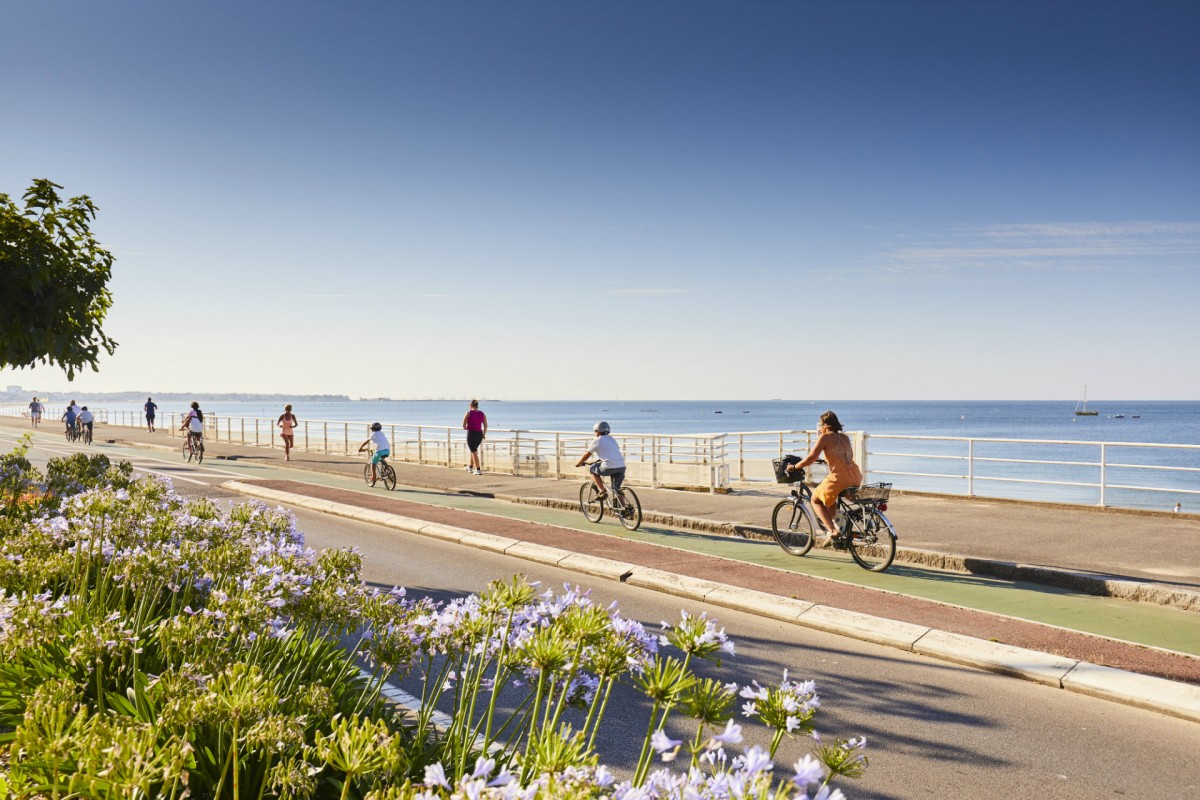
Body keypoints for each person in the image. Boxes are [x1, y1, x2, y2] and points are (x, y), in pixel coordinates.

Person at [787, 410, 863, 545]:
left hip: (839, 477)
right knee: (828, 495)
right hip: (854, 475)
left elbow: (810, 458)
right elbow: (846, 456)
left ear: (825, 425)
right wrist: (827, 460)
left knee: (815, 500)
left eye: (820, 424)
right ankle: (837, 531)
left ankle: (832, 531)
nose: (820, 427)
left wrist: (794, 467)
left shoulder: (824, 437)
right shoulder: (845, 437)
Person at [575, 421, 626, 500]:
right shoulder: (612, 439)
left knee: (592, 469)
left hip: (609, 466)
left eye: (595, 431)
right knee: (616, 489)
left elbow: (586, 456)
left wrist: (578, 464)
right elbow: (612, 452)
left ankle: (602, 491)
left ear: (597, 431)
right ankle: (624, 509)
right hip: (621, 466)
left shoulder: (597, 440)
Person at [462, 399, 488, 475]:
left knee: (474, 452)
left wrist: (470, 425)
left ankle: (478, 470)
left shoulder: (468, 413)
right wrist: (484, 434)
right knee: (474, 451)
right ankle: (470, 467)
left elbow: (463, 426)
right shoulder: (482, 413)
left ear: (470, 405)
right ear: (477, 406)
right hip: (479, 434)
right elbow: (485, 425)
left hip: (471, 434)